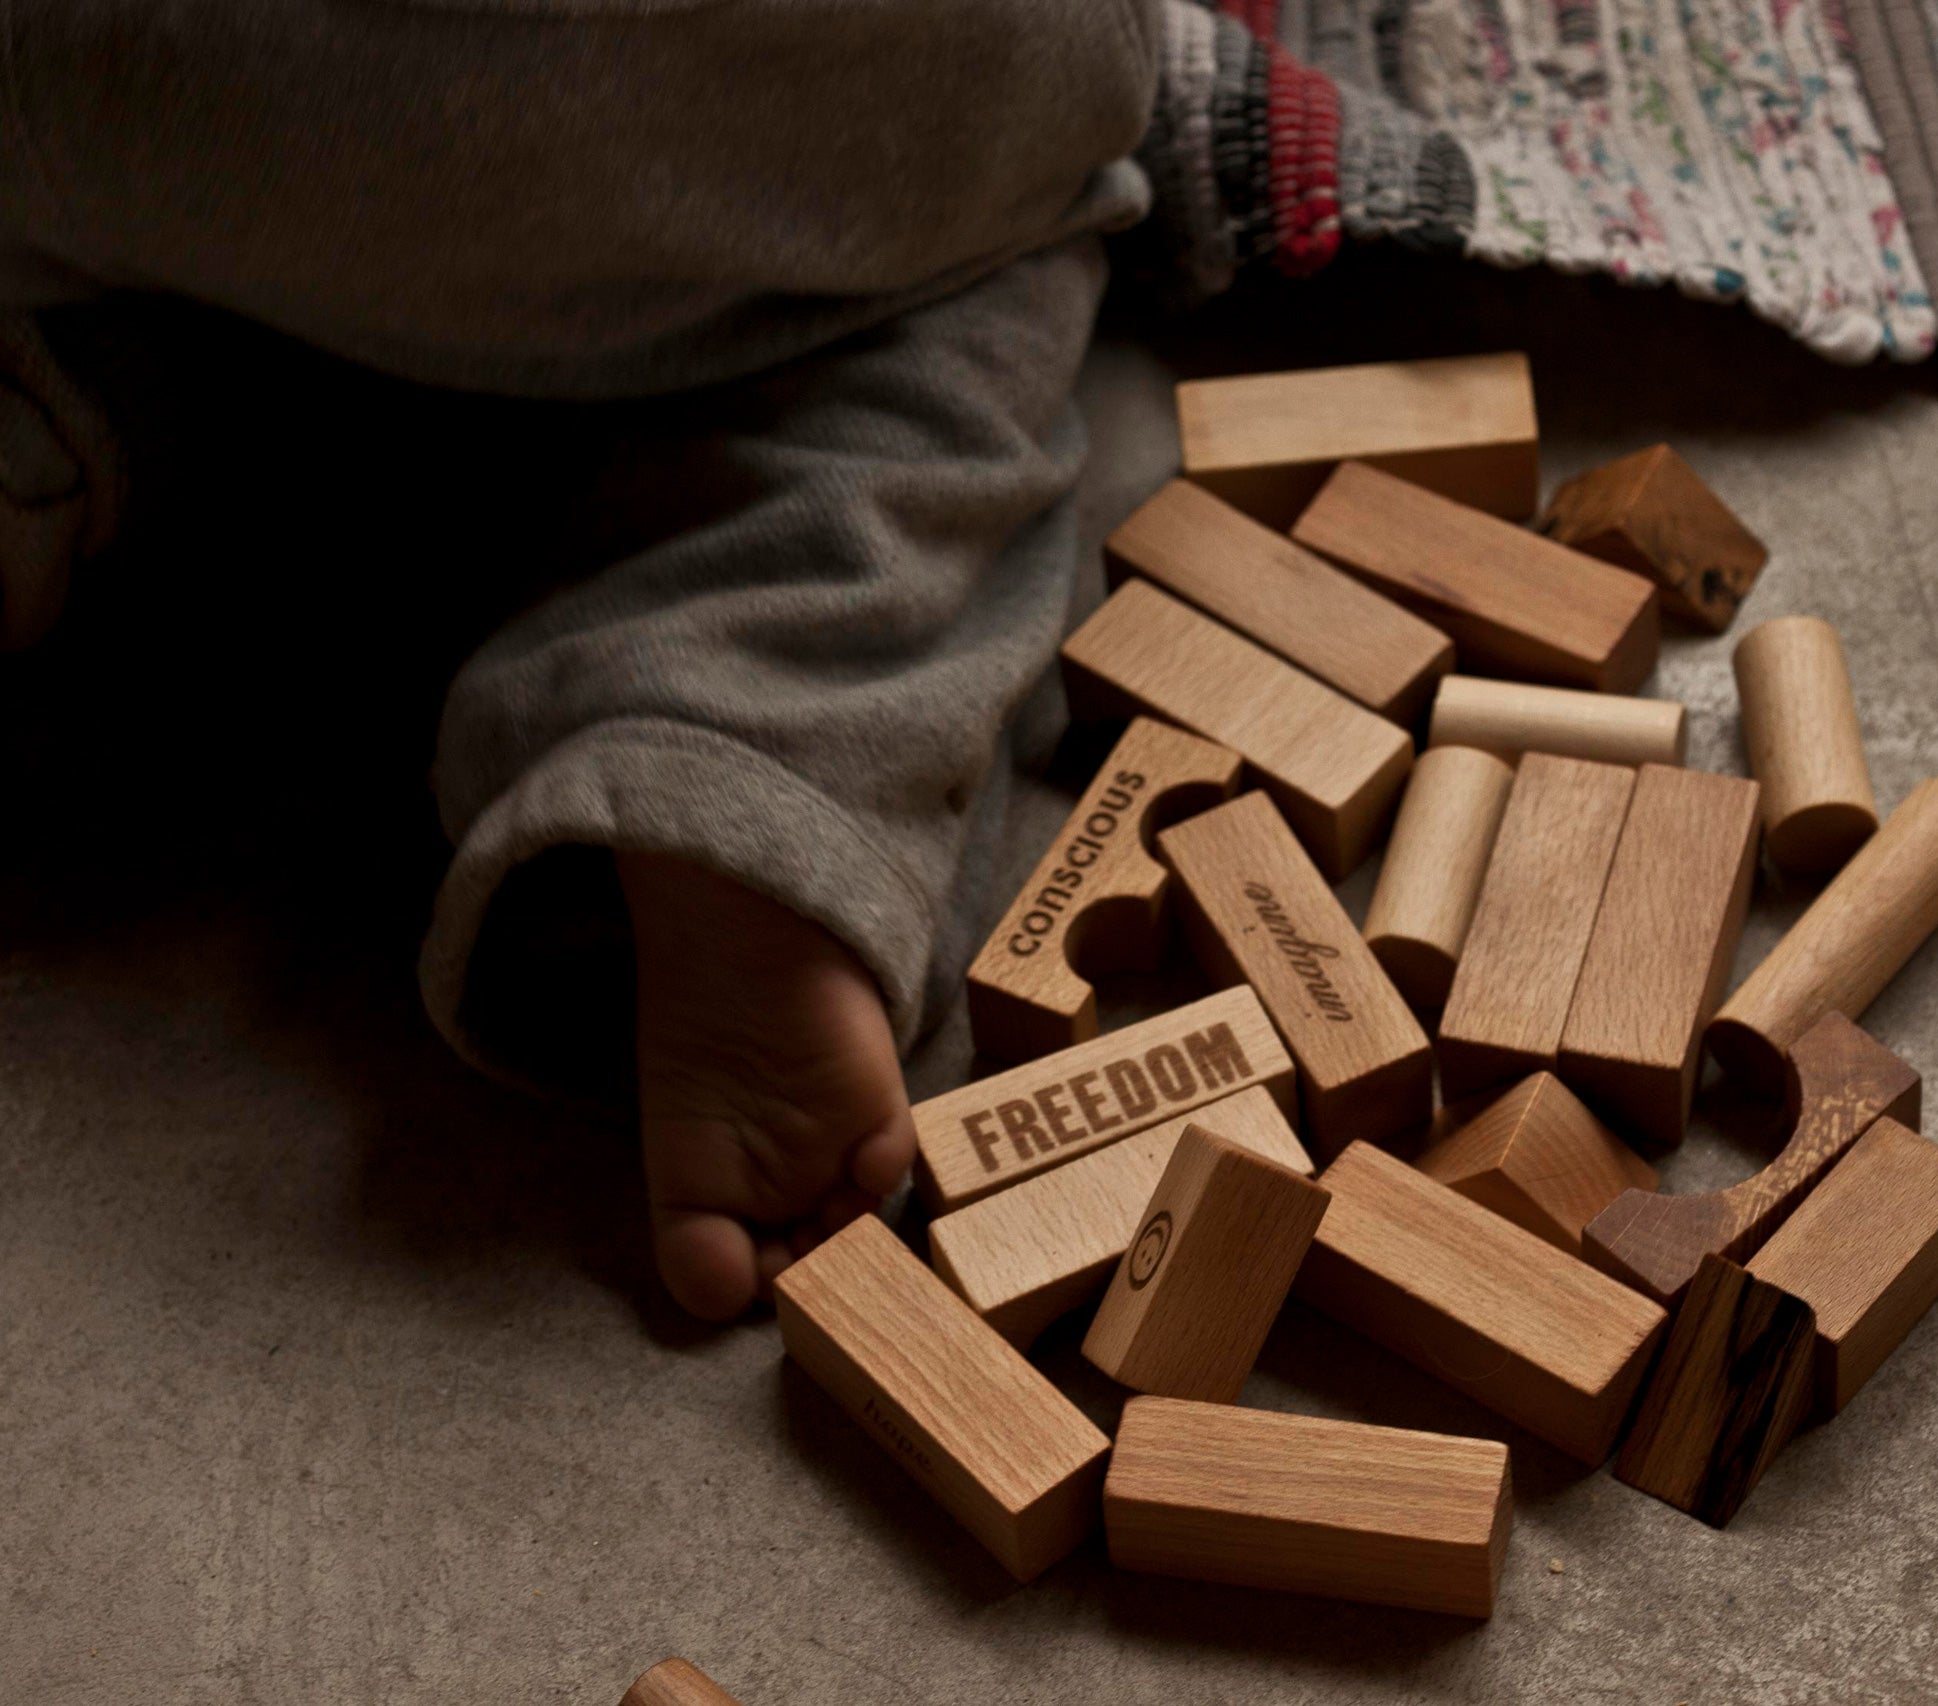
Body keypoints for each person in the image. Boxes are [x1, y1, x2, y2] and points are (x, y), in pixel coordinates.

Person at [0, 0, 1161, 1318]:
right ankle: (754, 730)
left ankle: (43, 418)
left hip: (146, 77)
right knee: (979, 250)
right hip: (803, 74)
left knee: (174, 247)